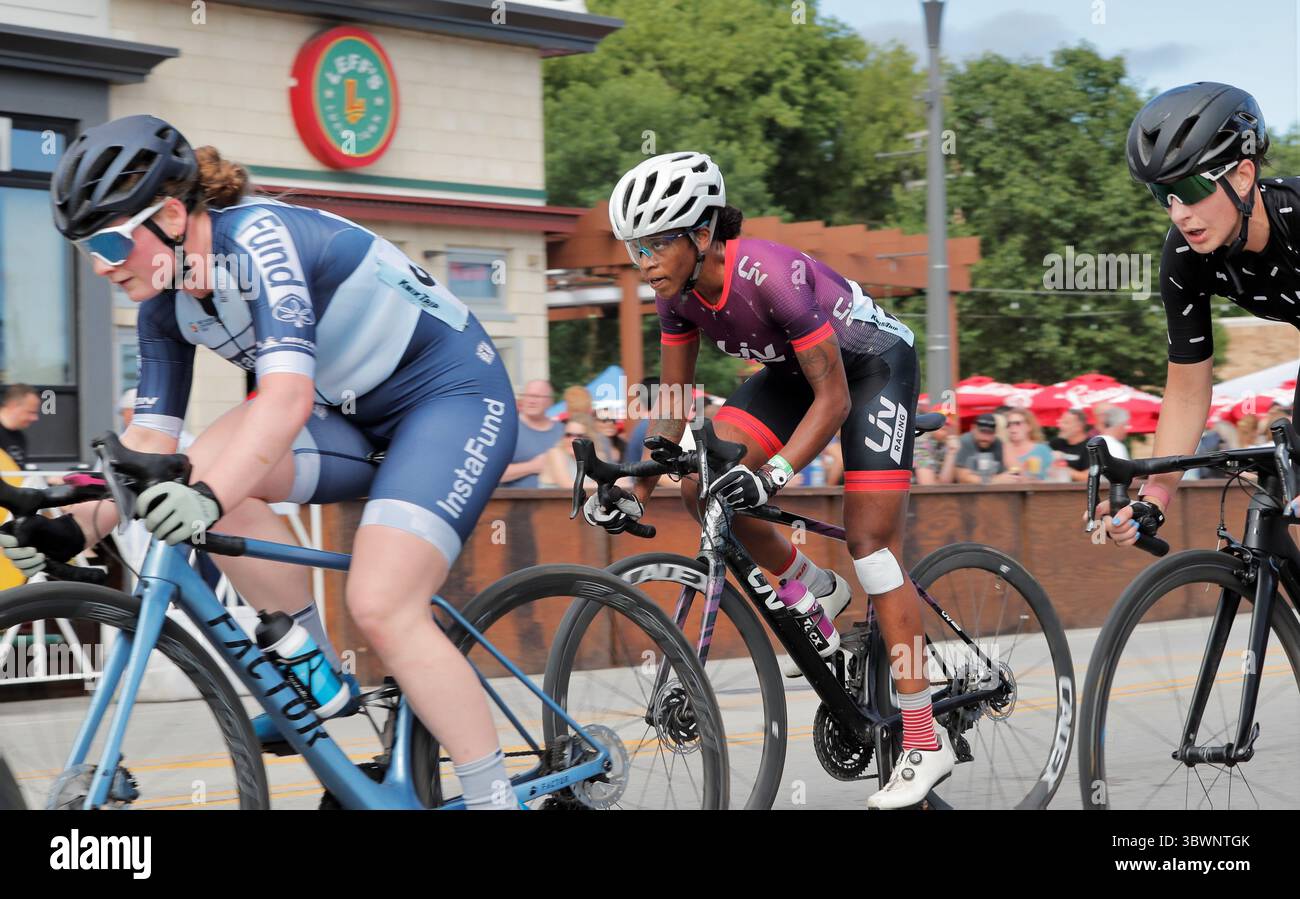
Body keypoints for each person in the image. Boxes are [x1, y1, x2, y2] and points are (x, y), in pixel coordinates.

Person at [2, 115, 519, 809]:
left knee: (382, 602)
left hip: (450, 399)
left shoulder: (260, 242)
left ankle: (496, 797)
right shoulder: (165, 302)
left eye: (109, 240)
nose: (101, 264)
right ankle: (315, 677)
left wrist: (206, 495)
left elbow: (285, 399)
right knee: (199, 472)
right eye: (87, 247)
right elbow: (153, 450)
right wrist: (76, 524)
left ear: (174, 215)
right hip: (356, 418)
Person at [587, 151, 952, 808]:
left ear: (701, 234)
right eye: (634, 246)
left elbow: (834, 399)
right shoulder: (678, 297)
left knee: (871, 545)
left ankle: (926, 736)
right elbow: (673, 413)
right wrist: (630, 486)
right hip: (793, 378)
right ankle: (812, 585)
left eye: (655, 243)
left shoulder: (771, 276)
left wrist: (776, 474)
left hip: (869, 370)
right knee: (702, 481)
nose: (643, 260)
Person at [1105, 82, 1300, 550]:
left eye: (1191, 189)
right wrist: (1153, 497)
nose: (1179, 214)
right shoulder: (1185, 257)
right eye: (1163, 195)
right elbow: (1188, 393)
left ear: (1243, 175)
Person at [501, 379, 563, 488]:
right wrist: (532, 466)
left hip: (558, 501)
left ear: (550, 402)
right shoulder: (506, 429)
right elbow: (491, 473)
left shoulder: (563, 432)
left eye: (538, 397)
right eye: (528, 396)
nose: (532, 401)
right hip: (516, 502)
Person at [1001, 409, 1055, 481]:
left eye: (1017, 423)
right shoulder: (1001, 448)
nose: (1012, 427)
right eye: (1008, 424)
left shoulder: (1042, 449)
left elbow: (1054, 477)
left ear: (1029, 426)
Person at [954, 414, 1005, 484]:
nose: (985, 438)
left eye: (990, 433)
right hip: (964, 492)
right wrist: (994, 481)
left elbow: (1002, 474)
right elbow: (962, 477)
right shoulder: (965, 441)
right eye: (982, 432)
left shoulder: (998, 444)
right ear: (973, 428)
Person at [913, 411, 958, 485]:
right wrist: (951, 453)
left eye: (948, 425)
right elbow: (928, 486)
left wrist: (952, 452)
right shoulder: (921, 445)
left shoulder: (943, 445)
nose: (945, 427)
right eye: (943, 425)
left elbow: (944, 483)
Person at [1047, 408, 1091, 482]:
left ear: (1079, 427)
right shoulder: (1055, 443)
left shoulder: (1092, 447)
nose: (1060, 426)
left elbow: (1089, 477)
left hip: (1078, 492)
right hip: (1051, 489)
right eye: (1060, 422)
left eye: (1065, 423)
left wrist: (1063, 470)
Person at [0, 384, 39, 467]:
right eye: (31, 412)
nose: (35, 418)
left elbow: (19, 475)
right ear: (13, 406)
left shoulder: (20, 438)